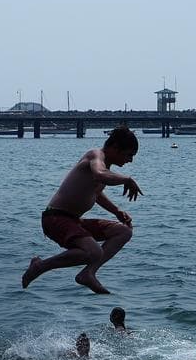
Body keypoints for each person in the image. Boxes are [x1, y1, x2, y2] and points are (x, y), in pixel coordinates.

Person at [21, 126, 143, 295]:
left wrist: (116, 211)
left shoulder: (104, 167)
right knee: (94, 251)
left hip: (73, 220)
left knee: (123, 232)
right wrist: (126, 179)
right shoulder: (95, 156)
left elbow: (97, 194)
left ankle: (89, 272)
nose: (130, 160)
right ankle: (40, 266)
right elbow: (100, 174)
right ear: (115, 148)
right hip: (55, 217)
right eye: (128, 154)